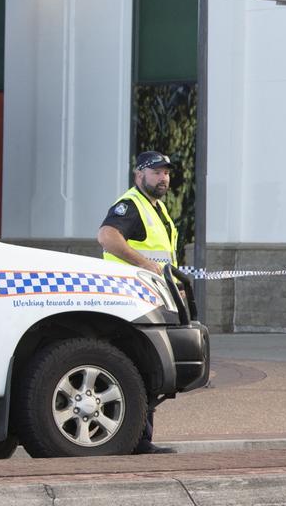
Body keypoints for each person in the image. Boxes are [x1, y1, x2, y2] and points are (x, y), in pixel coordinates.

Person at [98, 150, 180, 455]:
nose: (163, 178)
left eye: (166, 173)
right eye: (156, 172)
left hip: (150, 297)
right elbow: (107, 237)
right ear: (139, 175)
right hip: (127, 299)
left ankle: (139, 438)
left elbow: (164, 258)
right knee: (138, 368)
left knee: (146, 369)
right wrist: (144, 265)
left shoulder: (156, 209)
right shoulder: (130, 205)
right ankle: (137, 440)